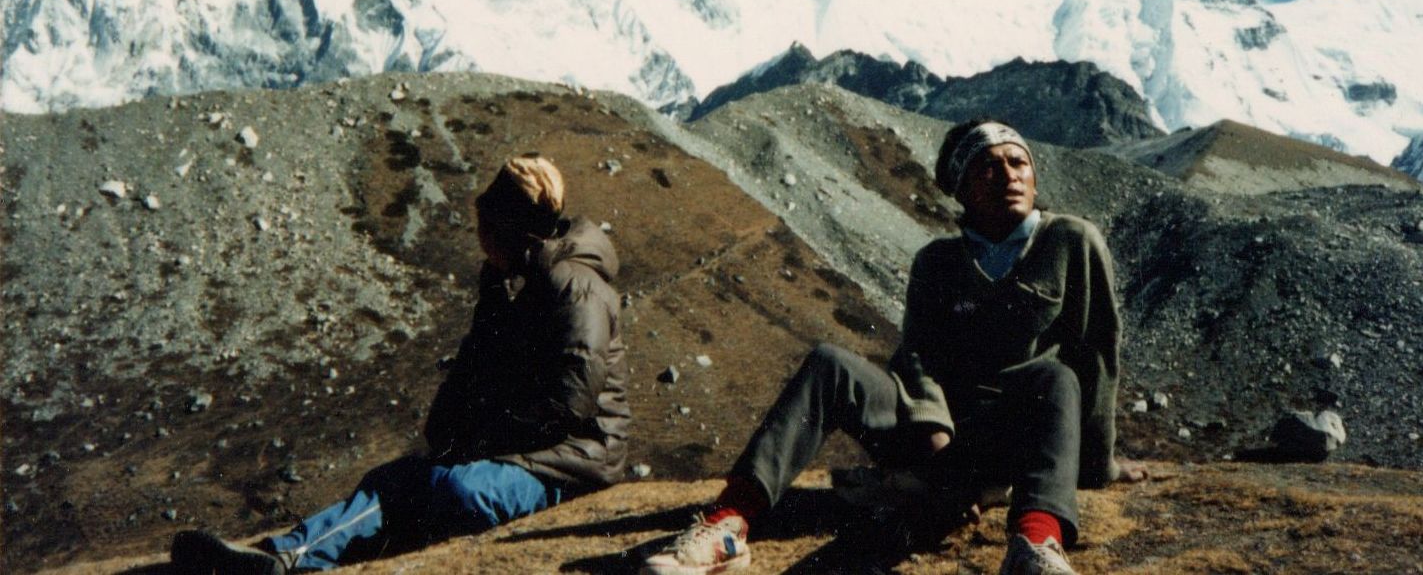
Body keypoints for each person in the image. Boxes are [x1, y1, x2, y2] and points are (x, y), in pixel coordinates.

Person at [641, 119, 1145, 575]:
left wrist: (1098, 461)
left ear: (1034, 178)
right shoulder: (938, 261)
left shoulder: (1072, 241)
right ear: (962, 189)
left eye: (1018, 163)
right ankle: (728, 525)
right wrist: (934, 432)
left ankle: (1035, 545)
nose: (1008, 175)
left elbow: (1097, 353)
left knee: (1056, 377)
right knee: (828, 363)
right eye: (987, 167)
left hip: (1013, 432)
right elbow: (917, 354)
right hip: (932, 435)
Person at [171, 155, 630, 574]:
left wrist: (484, 443)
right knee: (394, 481)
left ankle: (306, 558)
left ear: (508, 226)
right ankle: (286, 557)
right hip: (521, 452)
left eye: (486, 223)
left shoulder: (576, 287)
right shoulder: (509, 283)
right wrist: (449, 431)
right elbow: (471, 373)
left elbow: (568, 401)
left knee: (455, 489)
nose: (480, 235)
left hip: (570, 466)